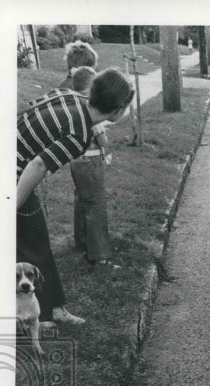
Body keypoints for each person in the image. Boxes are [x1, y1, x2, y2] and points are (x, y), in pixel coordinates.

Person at [17, 67, 134, 326]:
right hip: (9, 172)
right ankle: (44, 315)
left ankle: (54, 308)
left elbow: (29, 110)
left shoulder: (71, 96)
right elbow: (38, 165)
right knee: (33, 243)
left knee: (34, 241)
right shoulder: (80, 134)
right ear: (118, 109)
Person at [65, 66, 120, 269]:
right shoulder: (89, 110)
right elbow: (102, 139)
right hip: (91, 161)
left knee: (82, 200)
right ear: (90, 89)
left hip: (76, 160)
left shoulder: (72, 105)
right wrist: (108, 146)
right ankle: (99, 255)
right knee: (96, 205)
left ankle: (82, 242)